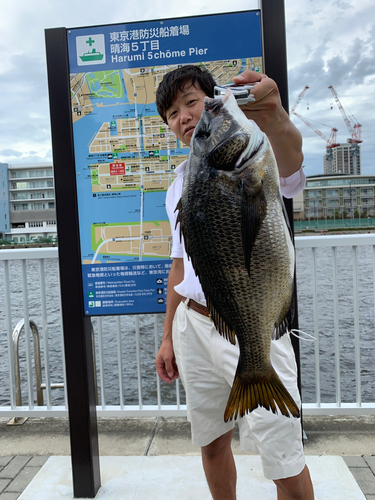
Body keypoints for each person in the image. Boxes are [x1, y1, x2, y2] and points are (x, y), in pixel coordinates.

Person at [155, 65, 314, 500]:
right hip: (194, 325)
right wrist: (168, 336)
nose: (185, 117)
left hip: (257, 322)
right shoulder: (177, 188)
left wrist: (276, 114)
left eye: (192, 104)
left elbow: (294, 167)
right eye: (172, 112)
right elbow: (178, 268)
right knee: (211, 444)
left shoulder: (256, 157)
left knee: (285, 458)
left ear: (212, 101)